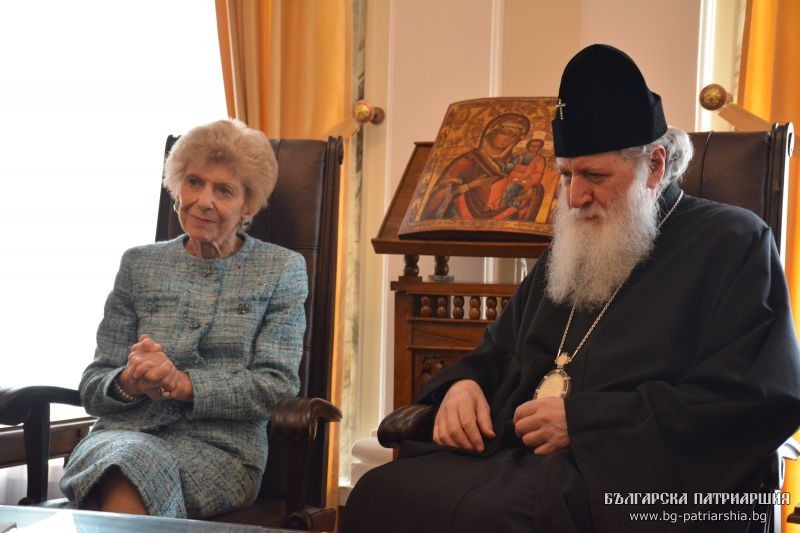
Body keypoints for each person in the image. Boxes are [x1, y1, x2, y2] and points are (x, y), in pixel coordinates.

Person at [342, 44, 800, 532]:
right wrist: (463, 385)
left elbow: (757, 399)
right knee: (379, 493)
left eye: (595, 176)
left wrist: (585, 424)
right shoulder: (576, 242)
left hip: (641, 483)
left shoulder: (734, 243)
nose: (575, 197)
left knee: (498, 517)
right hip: (527, 465)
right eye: (565, 175)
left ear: (656, 165)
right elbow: (498, 352)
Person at [59, 119, 308, 519]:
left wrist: (182, 384)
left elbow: (275, 386)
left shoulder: (281, 269)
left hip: (220, 450)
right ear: (176, 188)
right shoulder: (139, 264)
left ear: (249, 204)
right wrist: (128, 381)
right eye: (193, 182)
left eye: (223, 190)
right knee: (123, 461)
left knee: (119, 479)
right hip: (120, 435)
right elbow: (93, 385)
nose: (203, 200)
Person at [421, 113, 530, 220]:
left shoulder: (510, 164)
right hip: (460, 215)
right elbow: (439, 193)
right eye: (505, 133)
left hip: (497, 218)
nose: (509, 139)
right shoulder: (468, 161)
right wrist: (470, 186)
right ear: (491, 133)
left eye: (514, 136)